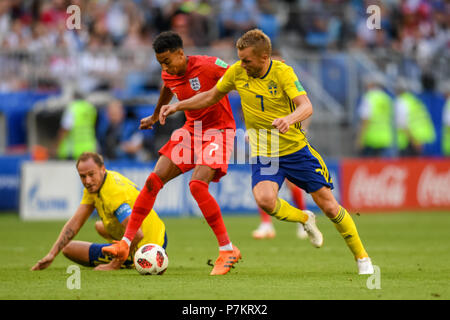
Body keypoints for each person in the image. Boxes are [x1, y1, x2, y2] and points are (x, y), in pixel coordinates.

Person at [159, 29, 374, 275]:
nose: (242, 64)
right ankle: (304, 219)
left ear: (264, 58)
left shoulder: (283, 73)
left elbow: (307, 106)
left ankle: (362, 258)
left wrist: (289, 119)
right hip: (265, 150)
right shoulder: (237, 72)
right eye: (240, 58)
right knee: (264, 199)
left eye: (247, 60)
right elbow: (210, 96)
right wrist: (177, 105)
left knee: (330, 207)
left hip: (295, 150)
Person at [102, 31, 241, 276]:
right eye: (160, 64)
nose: (164, 68)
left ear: (180, 53)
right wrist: (155, 115)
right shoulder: (169, 72)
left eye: (167, 61)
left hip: (218, 131)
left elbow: (238, 73)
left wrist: (269, 69)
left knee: (197, 186)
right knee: (152, 181)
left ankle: (227, 249)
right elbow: (168, 87)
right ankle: (125, 244)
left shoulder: (209, 65)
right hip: (191, 130)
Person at [31, 152, 167, 271]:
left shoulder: (113, 193)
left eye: (91, 174)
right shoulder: (97, 186)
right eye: (83, 176)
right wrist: (52, 254)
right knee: (99, 226)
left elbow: (137, 234)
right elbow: (75, 223)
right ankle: (120, 250)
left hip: (145, 247)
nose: (87, 181)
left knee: (69, 249)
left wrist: (114, 265)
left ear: (102, 169)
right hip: (159, 233)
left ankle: (126, 259)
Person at [394, 78, 436, 156]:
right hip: (421, 140)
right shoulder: (415, 101)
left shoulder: (401, 101)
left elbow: (402, 124)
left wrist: (414, 141)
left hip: (409, 142)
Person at [356, 75, 394, 157]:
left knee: (370, 167)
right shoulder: (387, 98)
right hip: (385, 138)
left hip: (371, 139)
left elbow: (365, 119)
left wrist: (360, 138)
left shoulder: (369, 97)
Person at [55, 91, 98, 160]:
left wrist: (56, 146)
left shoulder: (73, 108)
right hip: (89, 149)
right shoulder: (90, 108)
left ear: (73, 97)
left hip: (73, 151)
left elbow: (65, 128)